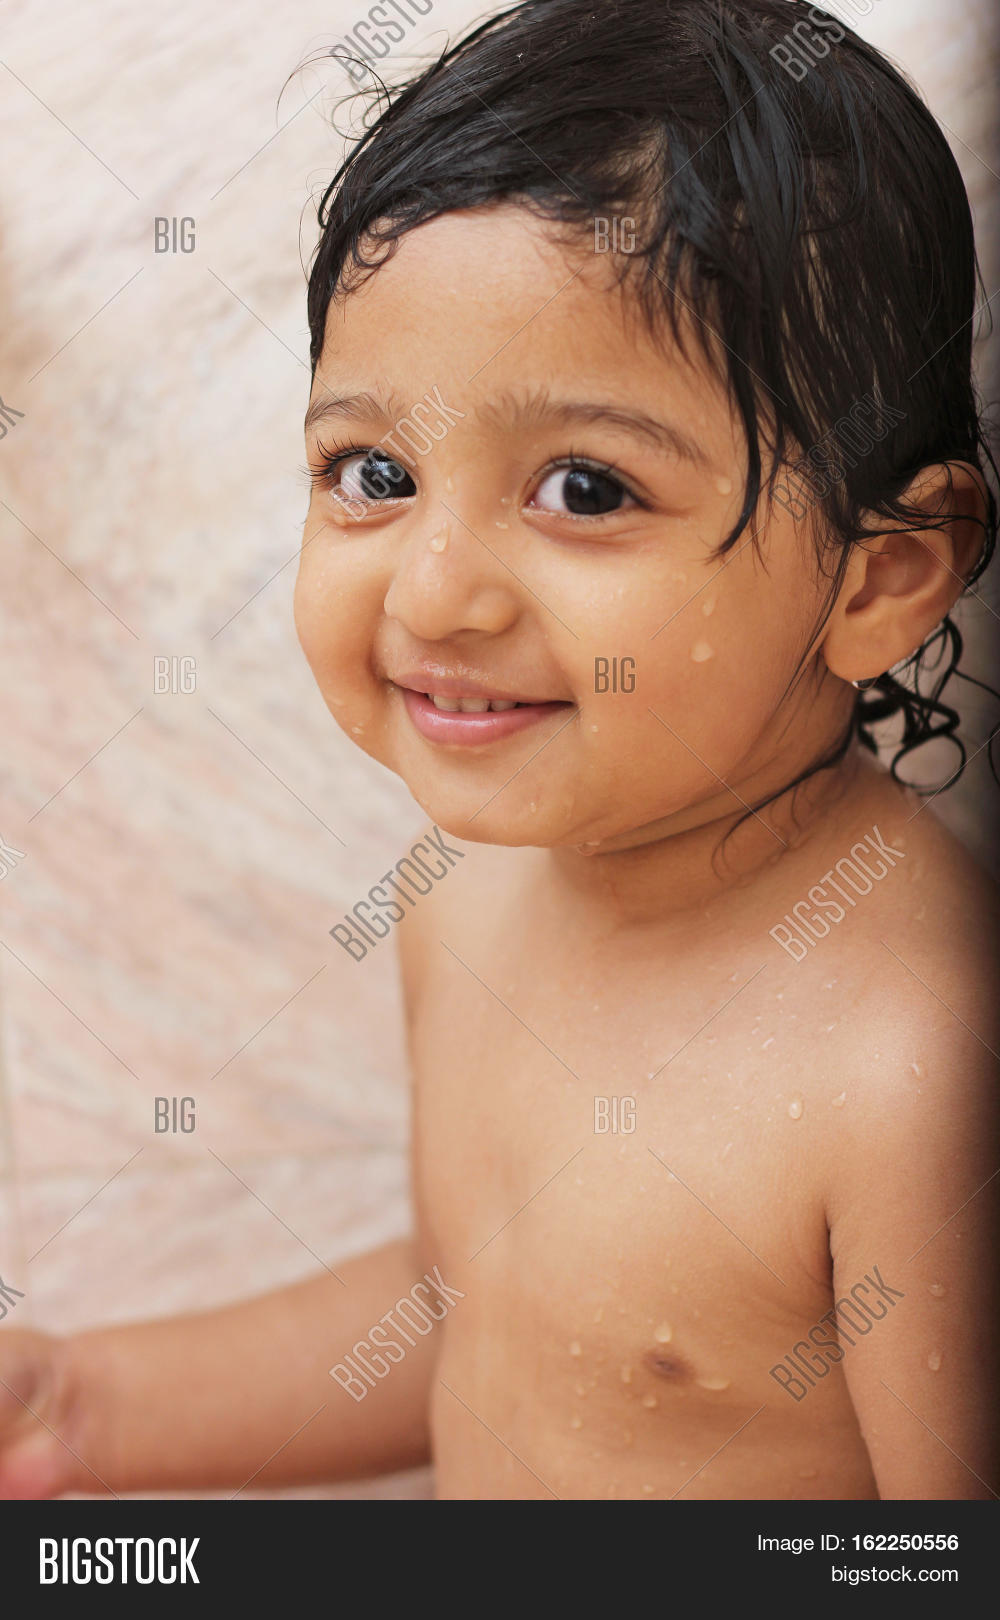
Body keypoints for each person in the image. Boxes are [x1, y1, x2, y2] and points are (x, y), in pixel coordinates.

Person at [2, 0, 997, 1500]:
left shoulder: (918, 1066)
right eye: (376, 472)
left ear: (877, 579)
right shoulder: (470, 885)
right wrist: (88, 1407)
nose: (432, 592)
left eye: (586, 488)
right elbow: (495, 1315)